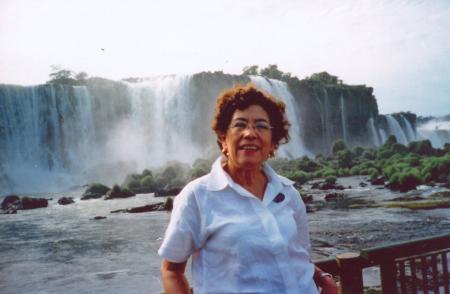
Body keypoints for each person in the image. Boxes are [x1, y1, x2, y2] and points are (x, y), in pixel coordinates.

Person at [158, 84, 338, 293]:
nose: (250, 133)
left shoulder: (288, 193)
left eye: (261, 126)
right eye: (240, 124)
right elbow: (171, 271)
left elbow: (297, 255)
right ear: (223, 139)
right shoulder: (197, 196)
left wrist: (323, 277)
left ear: (272, 144)